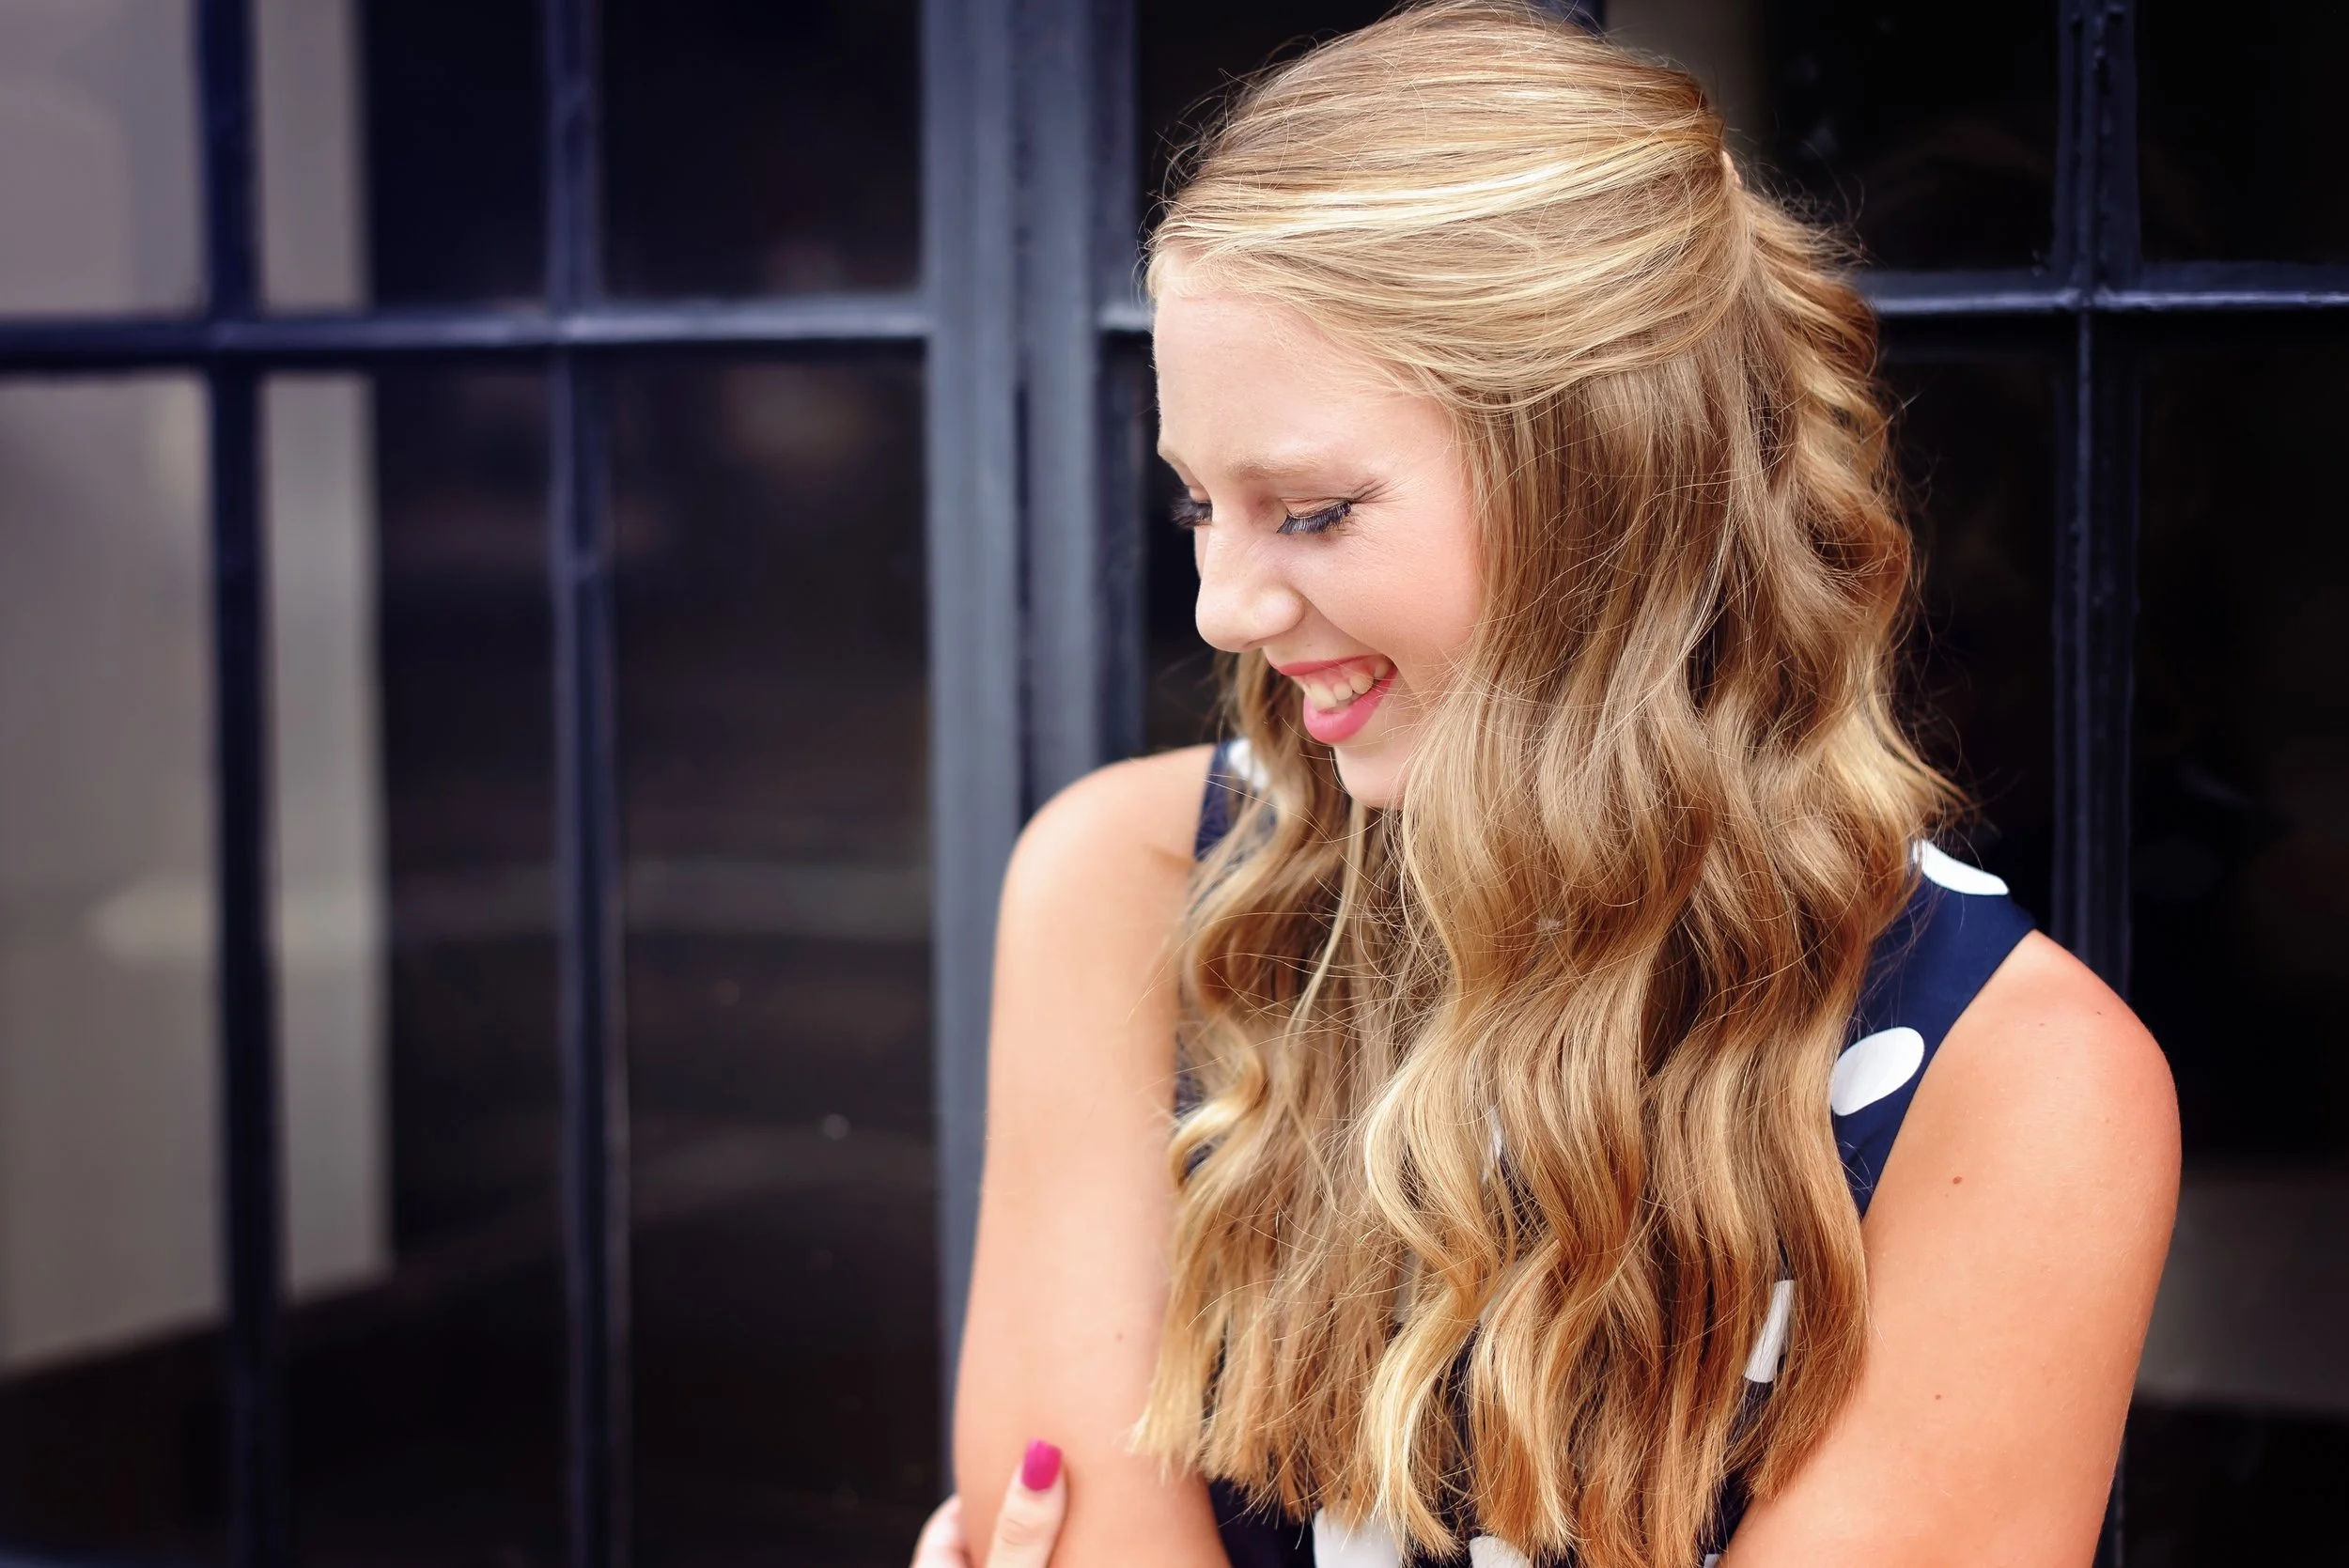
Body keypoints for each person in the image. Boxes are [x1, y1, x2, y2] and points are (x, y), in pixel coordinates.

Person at [930, 4, 2179, 1564]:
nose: (1222, 607)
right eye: (1200, 503)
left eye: (1310, 511)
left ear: (1605, 487)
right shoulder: (1131, 885)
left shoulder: (2018, 1087)